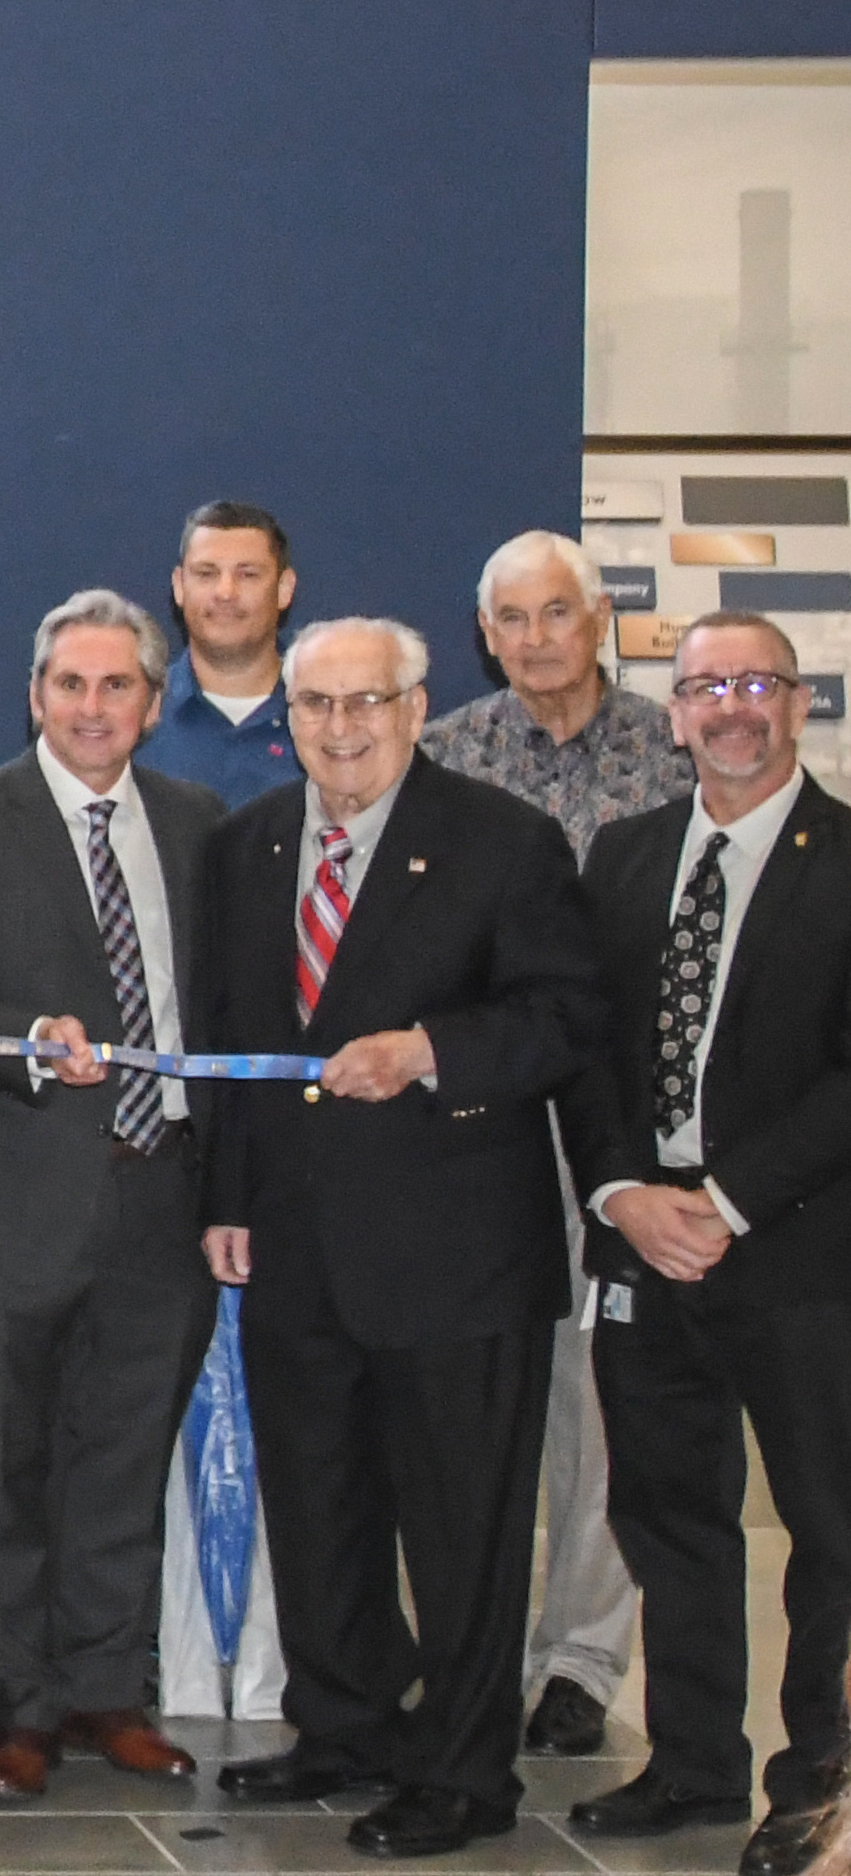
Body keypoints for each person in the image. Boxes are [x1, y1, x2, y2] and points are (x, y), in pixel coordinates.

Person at [195, 620, 599, 1860]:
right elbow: (227, 1036)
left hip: (456, 1252)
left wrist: (430, 1056)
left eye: (363, 702)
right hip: (294, 1246)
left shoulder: (503, 844)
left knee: (463, 1530)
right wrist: (224, 1197)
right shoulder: (248, 846)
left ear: (418, 707)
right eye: (313, 706)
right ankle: (344, 1727)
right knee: (317, 1508)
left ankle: (468, 1776)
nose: (338, 727)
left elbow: (566, 1020)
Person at [0, 591, 231, 1800]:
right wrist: (32, 1037)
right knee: (2, 1466)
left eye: (116, 687)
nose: (92, 707)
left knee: (121, 1455)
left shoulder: (199, 825)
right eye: (70, 684)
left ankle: (105, 1690)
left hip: (161, 1198)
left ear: (150, 704)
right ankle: (18, 1706)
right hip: (13, 1196)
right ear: (35, 695)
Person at [555, 614, 851, 1876]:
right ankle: (688, 1765)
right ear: (668, 714)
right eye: (702, 688)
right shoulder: (621, 858)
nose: (729, 707)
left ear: (795, 705)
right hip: (641, 1241)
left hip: (795, 1252)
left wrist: (722, 1203)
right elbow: (584, 1044)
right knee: (671, 1517)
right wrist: (621, 1190)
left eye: (754, 685)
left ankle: (817, 1786)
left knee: (828, 1534)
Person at [435, 532, 699, 1766]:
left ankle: (582, 1660)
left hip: (627, 1119)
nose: (536, 638)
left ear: (600, 620)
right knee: (486, 1392)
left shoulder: (672, 748)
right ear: (484, 633)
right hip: (482, 1119)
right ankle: (469, 1645)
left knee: (601, 1400)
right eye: (513, 619)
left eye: (558, 613)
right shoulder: (447, 755)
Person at [150, 501, 307, 806]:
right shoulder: (135, 719)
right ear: (179, 586)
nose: (225, 592)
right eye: (206, 574)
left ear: (284, 588)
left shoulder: (330, 720)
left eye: (247, 575)